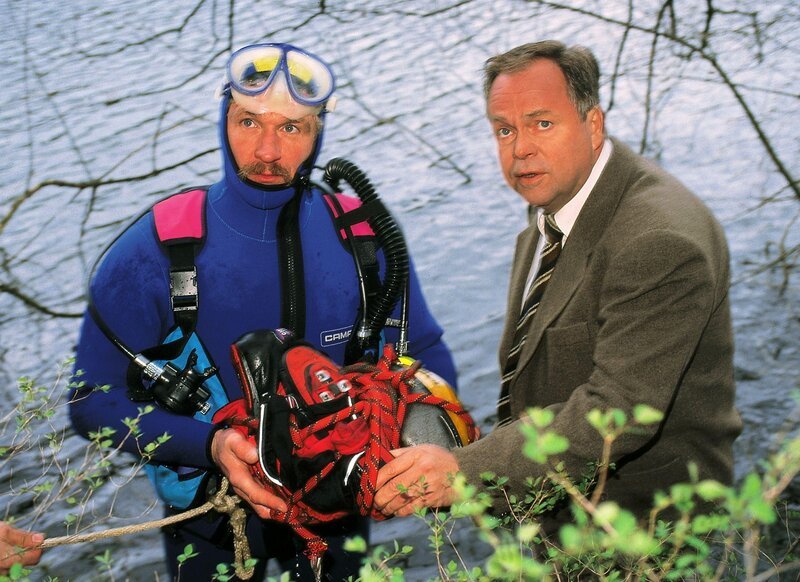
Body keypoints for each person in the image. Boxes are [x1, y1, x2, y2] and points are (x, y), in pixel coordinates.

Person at [70, 42, 457, 580]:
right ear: (222, 118)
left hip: (337, 512)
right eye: (248, 121)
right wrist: (210, 444)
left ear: (320, 132)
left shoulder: (362, 238)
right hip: (211, 518)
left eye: (293, 128)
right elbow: (90, 400)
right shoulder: (160, 247)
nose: (268, 150)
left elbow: (427, 350)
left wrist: (431, 441)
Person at [374, 40, 742, 531]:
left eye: (541, 123)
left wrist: (466, 471)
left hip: (646, 533)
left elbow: (617, 411)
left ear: (593, 125)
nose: (520, 147)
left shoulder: (657, 241)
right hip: (563, 509)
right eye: (505, 130)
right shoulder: (557, 199)